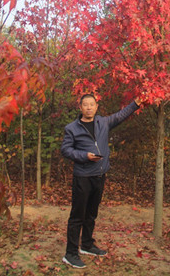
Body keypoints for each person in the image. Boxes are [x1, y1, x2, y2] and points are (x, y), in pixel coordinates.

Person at [61, 93, 142, 269]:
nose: (89, 107)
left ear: (97, 107)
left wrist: (135, 103)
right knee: (77, 216)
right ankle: (70, 253)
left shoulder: (103, 122)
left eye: (92, 104)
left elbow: (120, 115)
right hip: (83, 177)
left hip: (99, 175)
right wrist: (84, 156)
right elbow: (66, 150)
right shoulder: (72, 128)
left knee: (91, 213)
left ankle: (87, 245)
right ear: (80, 107)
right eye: (85, 104)